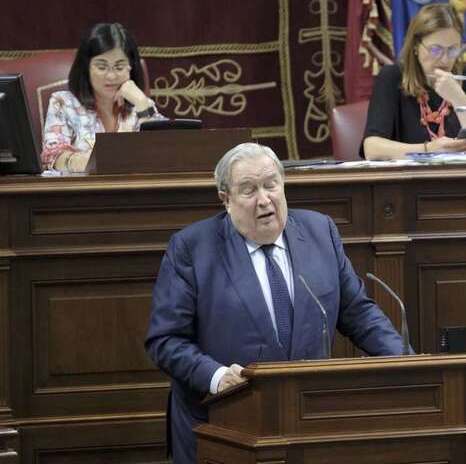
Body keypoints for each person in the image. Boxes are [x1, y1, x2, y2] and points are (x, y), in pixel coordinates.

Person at [145, 142, 406, 463]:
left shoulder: (319, 231)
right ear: (225, 199)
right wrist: (216, 376)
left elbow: (359, 313)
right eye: (248, 190)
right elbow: (166, 340)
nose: (264, 199)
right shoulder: (192, 249)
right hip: (222, 425)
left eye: (271, 185)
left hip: (307, 420)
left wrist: (406, 365)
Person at [361, 2, 466, 160]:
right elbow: (372, 148)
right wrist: (429, 149)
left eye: (453, 50)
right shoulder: (392, 77)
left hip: (458, 179)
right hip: (408, 180)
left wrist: (458, 99)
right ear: (415, 47)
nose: (445, 60)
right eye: (435, 50)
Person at [41, 23, 163, 172]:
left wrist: (142, 103)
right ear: (86, 68)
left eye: (119, 67)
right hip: (84, 192)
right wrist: (102, 161)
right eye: (101, 67)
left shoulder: (141, 105)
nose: (111, 76)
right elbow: (52, 158)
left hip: (135, 191)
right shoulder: (63, 103)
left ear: (131, 67)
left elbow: (165, 153)